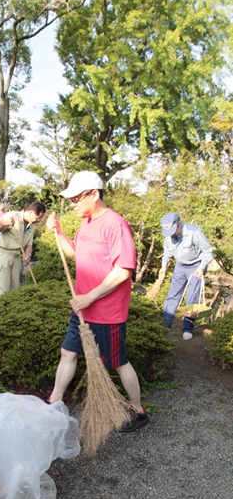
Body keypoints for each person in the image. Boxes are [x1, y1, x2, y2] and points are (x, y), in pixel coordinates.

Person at [42, 171, 148, 433]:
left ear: (94, 194)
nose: (72, 204)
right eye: (70, 200)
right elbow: (77, 254)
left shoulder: (115, 224)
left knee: (118, 362)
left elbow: (123, 270)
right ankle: (54, 400)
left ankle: (137, 409)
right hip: (82, 308)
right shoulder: (86, 223)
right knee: (68, 352)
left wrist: (89, 296)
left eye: (76, 199)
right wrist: (58, 233)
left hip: (106, 312)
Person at [159, 212, 214, 340]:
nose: (172, 234)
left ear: (179, 224)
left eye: (174, 230)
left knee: (191, 297)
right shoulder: (168, 234)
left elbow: (208, 250)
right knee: (172, 295)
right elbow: (167, 251)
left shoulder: (194, 232)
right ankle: (165, 325)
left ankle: (188, 328)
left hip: (196, 266)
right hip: (180, 266)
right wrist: (164, 266)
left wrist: (202, 266)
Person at [0, 201, 46, 296]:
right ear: (30, 212)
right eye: (37, 218)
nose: (37, 221)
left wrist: (28, 254)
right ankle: (2, 309)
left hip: (17, 257)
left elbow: (29, 245)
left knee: (15, 289)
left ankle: (13, 310)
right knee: (3, 290)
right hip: (3, 255)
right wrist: (5, 223)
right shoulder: (12, 215)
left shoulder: (31, 226)